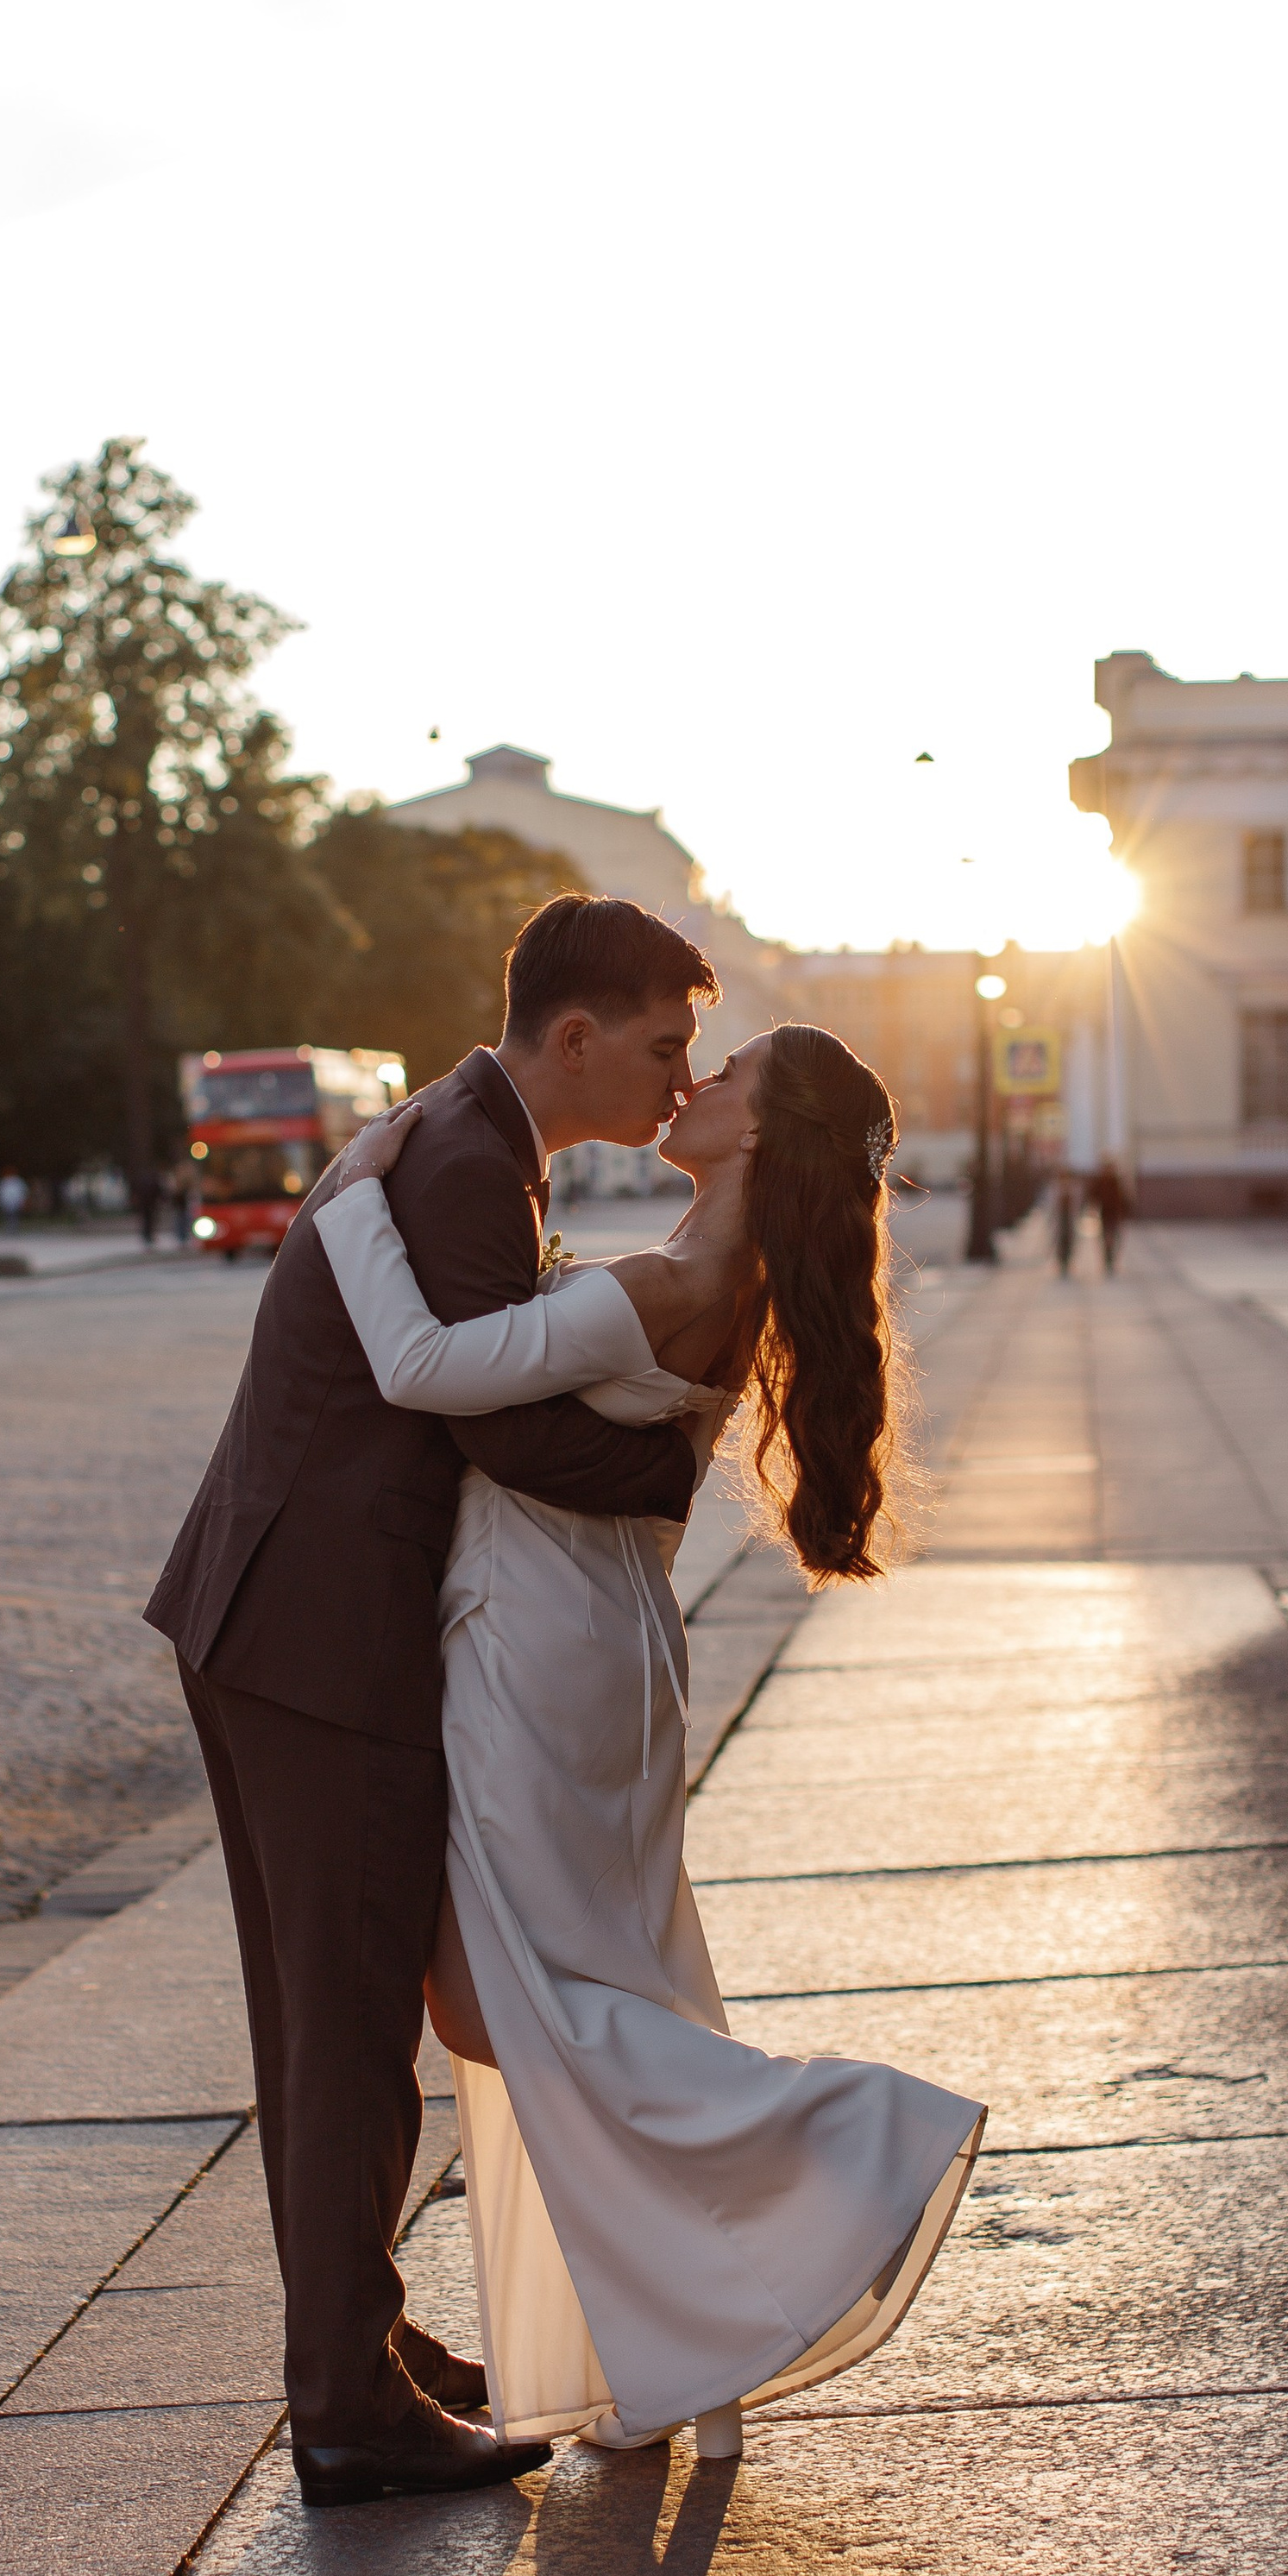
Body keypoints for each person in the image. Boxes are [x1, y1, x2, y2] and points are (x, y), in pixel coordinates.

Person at [310, 1024, 983, 2466]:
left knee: (518, 2007)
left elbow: (425, 1365)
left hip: (539, 1643)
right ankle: (676, 2358)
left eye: (725, 1074)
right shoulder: (715, 1274)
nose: (695, 1086)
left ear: (762, 1131)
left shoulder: (669, 1281)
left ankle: (852, 2140)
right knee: (579, 1985)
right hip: (599, 1636)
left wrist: (356, 1190)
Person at [147, 897, 713, 2508]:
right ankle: (344, 2403)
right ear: (580, 1034)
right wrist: (676, 1455)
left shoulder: (467, 1138)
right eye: (665, 1045)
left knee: (325, 2021)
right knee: (347, 2028)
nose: (683, 1075)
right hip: (322, 1643)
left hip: (274, 1623)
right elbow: (512, 1433)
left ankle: (359, 2342)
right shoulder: (466, 1163)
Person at [1091, 1156, 1129, 1275]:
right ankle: (1107, 1260)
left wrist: (1123, 1214)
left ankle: (1111, 1260)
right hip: (1104, 1214)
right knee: (1106, 1238)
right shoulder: (1100, 1181)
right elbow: (1094, 1195)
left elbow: (1124, 1199)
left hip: (1115, 1216)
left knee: (1115, 1238)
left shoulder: (1116, 1182)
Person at [1052, 1173, 1078, 1277]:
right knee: (1061, 1242)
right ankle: (1062, 1261)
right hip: (1061, 1222)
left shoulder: (1072, 1191)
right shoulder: (1057, 1190)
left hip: (1069, 1222)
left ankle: (1067, 1260)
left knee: (1069, 1241)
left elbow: (1076, 1207)